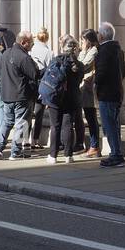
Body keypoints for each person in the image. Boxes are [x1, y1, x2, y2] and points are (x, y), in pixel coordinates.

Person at [0, 31, 41, 160]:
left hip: (7, 94)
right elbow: (35, 74)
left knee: (6, 123)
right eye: (31, 43)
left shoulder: (6, 53)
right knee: (21, 124)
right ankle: (15, 152)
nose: (32, 45)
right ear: (23, 42)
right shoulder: (23, 57)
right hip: (21, 95)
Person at [44, 36, 85, 164]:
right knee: (68, 127)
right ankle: (68, 156)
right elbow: (78, 81)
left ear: (63, 48)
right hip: (72, 97)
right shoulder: (80, 65)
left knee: (55, 126)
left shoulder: (56, 61)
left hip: (55, 97)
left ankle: (53, 156)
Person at [94, 21, 125, 166]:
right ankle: (116, 152)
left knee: (110, 125)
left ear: (101, 35)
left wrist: (96, 84)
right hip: (117, 92)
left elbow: (101, 73)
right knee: (114, 124)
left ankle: (116, 155)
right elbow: (124, 71)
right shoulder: (117, 50)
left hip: (107, 93)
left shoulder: (104, 51)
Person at [77, 29, 101, 157]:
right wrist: (83, 50)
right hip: (85, 88)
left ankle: (94, 146)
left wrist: (83, 50)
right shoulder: (87, 51)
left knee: (91, 118)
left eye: (82, 39)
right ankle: (92, 145)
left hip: (89, 89)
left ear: (88, 40)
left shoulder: (94, 51)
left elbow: (82, 65)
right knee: (88, 116)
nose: (81, 42)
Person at [29, 27, 52, 148]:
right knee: (39, 114)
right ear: (47, 38)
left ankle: (24, 140)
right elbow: (49, 69)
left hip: (30, 84)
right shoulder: (48, 52)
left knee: (27, 114)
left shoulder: (31, 49)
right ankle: (35, 139)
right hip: (41, 85)